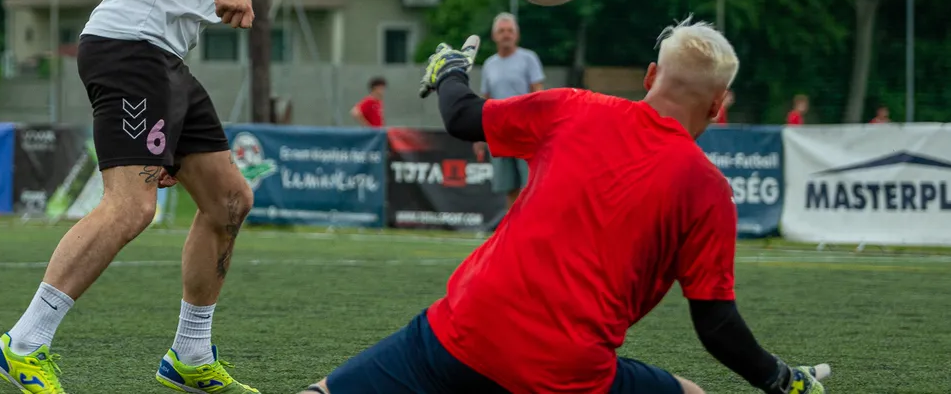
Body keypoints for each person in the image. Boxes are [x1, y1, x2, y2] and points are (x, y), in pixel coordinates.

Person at [302, 20, 831, 394]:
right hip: (564, 373)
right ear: (718, 108)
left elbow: (463, 118)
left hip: (467, 327)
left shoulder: (574, 108)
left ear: (650, 77)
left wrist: (450, 71)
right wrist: (781, 379)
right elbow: (716, 326)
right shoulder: (708, 189)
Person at [0, 0, 320, 394]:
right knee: (131, 206)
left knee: (229, 201)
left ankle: (189, 354)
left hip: (164, 63)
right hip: (129, 48)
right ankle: (24, 343)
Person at [474, 13, 543, 209]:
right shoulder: (489, 64)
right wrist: (479, 134)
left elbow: (538, 93)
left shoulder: (528, 59)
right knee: (508, 186)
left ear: (517, 35)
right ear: (494, 36)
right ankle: (511, 231)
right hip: (500, 132)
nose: (506, 35)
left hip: (525, 131)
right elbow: (485, 101)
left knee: (530, 183)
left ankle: (529, 229)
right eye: (502, 31)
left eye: (510, 31)